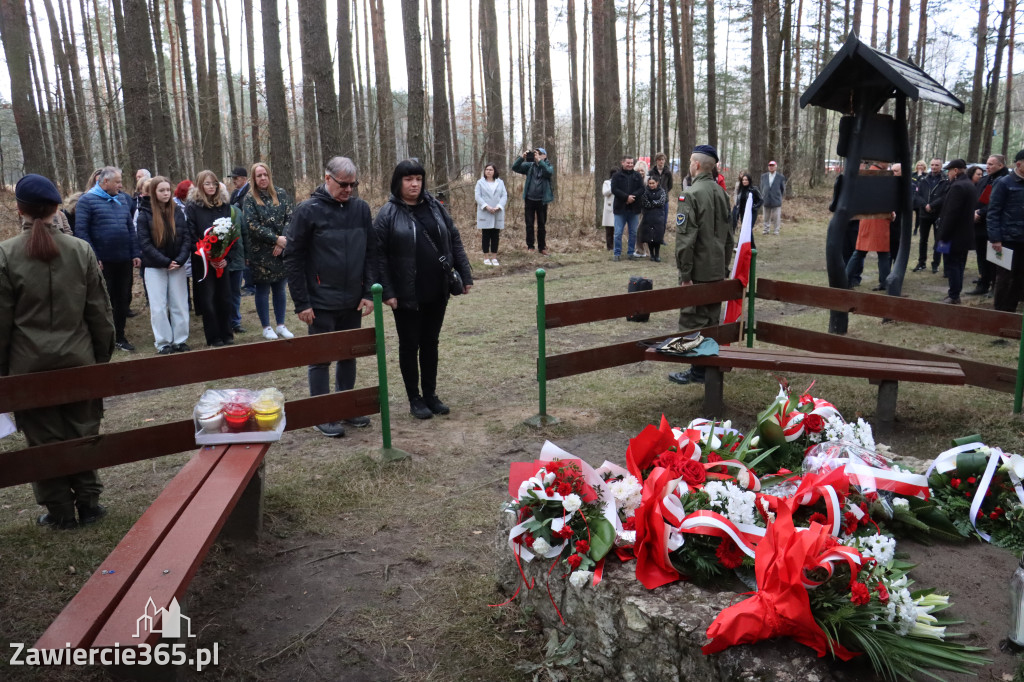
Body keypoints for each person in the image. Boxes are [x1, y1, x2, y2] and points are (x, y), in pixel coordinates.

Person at [0, 174, 115, 529]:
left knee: (43, 440)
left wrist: (6, 374)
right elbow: (100, 315)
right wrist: (99, 360)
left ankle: (60, 511)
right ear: (55, 208)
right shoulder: (80, 250)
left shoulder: (5, 254)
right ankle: (90, 504)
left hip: (28, 368)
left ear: (18, 209)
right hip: (78, 360)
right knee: (81, 431)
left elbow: (1, 325)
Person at [375, 159, 473, 420]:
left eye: (418, 178)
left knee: (431, 343)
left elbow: (453, 239)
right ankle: (414, 398)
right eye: (408, 179)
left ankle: (430, 394)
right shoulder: (387, 213)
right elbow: (379, 255)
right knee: (410, 345)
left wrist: (465, 273)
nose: (414, 183)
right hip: (406, 294)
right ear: (398, 182)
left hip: (436, 289)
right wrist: (388, 291)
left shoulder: (435, 207)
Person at [286, 157, 376, 437]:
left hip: (352, 300)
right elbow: (293, 258)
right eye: (343, 184)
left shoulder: (361, 209)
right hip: (320, 301)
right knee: (322, 357)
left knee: (349, 355)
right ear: (327, 179)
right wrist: (302, 302)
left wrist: (368, 291)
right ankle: (322, 412)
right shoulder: (307, 211)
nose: (349, 190)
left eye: (353, 185)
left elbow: (371, 253)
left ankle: (346, 406)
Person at [669, 145, 734, 385]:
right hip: (717, 269)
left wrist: (685, 274)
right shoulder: (722, 194)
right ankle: (705, 369)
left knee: (692, 321)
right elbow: (729, 238)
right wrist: (724, 268)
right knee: (711, 320)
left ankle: (697, 371)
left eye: (689, 162)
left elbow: (685, 241)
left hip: (697, 271)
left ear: (696, 165)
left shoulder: (691, 194)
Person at [73, 166, 141, 352]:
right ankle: (103, 338)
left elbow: (130, 228)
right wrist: (94, 257)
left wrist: (135, 252)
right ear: (105, 182)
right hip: (103, 262)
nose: (121, 185)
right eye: (118, 182)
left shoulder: (121, 199)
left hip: (124, 259)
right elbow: (81, 232)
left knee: (122, 299)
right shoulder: (86, 201)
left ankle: (120, 336)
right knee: (105, 300)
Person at [136, 176, 191, 353]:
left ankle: (180, 340)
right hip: (154, 266)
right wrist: (165, 262)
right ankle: (163, 342)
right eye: (161, 190)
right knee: (158, 306)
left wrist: (180, 259)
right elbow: (145, 243)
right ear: (154, 192)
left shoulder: (177, 212)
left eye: (168, 190)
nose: (166, 193)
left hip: (177, 265)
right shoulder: (144, 213)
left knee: (180, 304)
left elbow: (186, 238)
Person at [243, 162, 294, 341]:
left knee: (280, 287)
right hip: (261, 252)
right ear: (254, 179)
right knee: (263, 289)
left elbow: (290, 217)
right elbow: (252, 225)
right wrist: (274, 239)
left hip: (281, 250)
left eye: (265, 174)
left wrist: (282, 241)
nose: (263, 178)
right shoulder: (249, 198)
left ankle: (281, 325)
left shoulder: (280, 194)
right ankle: (266, 327)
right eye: (259, 175)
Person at [186, 170, 237, 347]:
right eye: (207, 184)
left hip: (221, 261)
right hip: (203, 262)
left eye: (214, 183)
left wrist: (225, 258)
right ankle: (214, 336)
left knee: (225, 298)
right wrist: (205, 253)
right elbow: (191, 235)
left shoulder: (223, 205)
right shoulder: (192, 207)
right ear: (200, 185)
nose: (211, 187)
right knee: (208, 300)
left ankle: (227, 333)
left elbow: (230, 234)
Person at [846, 162, 893, 291]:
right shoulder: (880, 176)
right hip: (878, 219)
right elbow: (884, 199)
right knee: (879, 253)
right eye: (887, 161)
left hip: (868, 219)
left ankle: (846, 279)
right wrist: (890, 213)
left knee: (861, 252)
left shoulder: (867, 174)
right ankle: (884, 282)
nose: (888, 164)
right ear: (880, 162)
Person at [987, 150, 1024, 312]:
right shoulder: (1004, 183)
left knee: (1019, 277)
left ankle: (1012, 310)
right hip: (1006, 240)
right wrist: (995, 238)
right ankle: (1001, 312)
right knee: (1005, 278)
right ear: (1019, 164)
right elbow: (993, 212)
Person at [935, 159, 977, 305]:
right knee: (958, 264)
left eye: (949, 171)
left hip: (953, 236)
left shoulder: (958, 187)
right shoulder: (969, 185)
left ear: (956, 171)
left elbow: (951, 214)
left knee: (952, 265)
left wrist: (943, 236)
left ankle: (953, 295)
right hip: (963, 235)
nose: (948, 173)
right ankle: (955, 293)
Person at [969, 155, 1009, 296]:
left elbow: (997, 203)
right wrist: (974, 212)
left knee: (995, 258)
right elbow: (977, 198)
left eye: (991, 164)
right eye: (987, 164)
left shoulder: (1005, 180)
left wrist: (981, 212)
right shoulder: (984, 179)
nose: (988, 167)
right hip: (979, 224)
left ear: (1001, 165)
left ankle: (995, 286)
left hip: (995, 225)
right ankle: (983, 283)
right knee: (981, 255)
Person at [511, 147, 554, 254]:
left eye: (539, 153)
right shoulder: (529, 166)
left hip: (542, 200)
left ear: (545, 156)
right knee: (529, 224)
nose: (536, 155)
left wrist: (539, 161)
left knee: (542, 224)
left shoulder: (548, 165)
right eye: (535, 153)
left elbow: (548, 173)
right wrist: (522, 157)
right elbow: (515, 167)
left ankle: (542, 247)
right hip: (529, 199)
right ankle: (530, 246)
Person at [913, 158, 949, 273]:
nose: (934, 167)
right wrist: (925, 205)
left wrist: (932, 205)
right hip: (924, 214)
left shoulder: (946, 180)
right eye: (932, 165)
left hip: (938, 214)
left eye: (936, 165)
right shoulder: (924, 179)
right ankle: (921, 262)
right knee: (923, 239)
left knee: (939, 240)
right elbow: (917, 195)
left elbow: (945, 197)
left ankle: (936, 263)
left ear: (941, 166)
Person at [610, 155, 645, 261]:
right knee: (618, 232)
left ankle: (630, 253)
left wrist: (632, 197)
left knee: (633, 232)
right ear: (622, 163)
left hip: (634, 208)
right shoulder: (616, 176)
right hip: (620, 208)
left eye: (631, 163)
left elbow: (642, 189)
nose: (630, 165)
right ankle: (617, 253)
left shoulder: (637, 175)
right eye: (628, 163)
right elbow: (614, 189)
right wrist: (626, 197)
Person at [474, 163, 507, 266]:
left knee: (495, 235)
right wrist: (486, 206)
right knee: (486, 235)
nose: (488, 171)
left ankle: (494, 257)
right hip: (485, 212)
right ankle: (486, 257)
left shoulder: (500, 182)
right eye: (487, 169)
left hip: (497, 212)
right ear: (484, 171)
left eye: (491, 170)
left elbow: (504, 195)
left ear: (494, 171)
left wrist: (498, 207)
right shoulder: (480, 183)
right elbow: (478, 196)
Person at [639, 176, 667, 262]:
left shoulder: (662, 191)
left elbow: (661, 202)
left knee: (657, 236)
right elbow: (645, 203)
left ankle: (657, 254)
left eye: (653, 183)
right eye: (650, 183)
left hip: (659, 216)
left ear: (657, 183)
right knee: (649, 236)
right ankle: (652, 254)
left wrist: (653, 203)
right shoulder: (645, 192)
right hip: (648, 216)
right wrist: (655, 203)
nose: (651, 185)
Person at [759, 160, 786, 235]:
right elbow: (762, 187)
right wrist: (763, 195)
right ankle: (765, 230)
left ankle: (776, 230)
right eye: (770, 165)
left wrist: (778, 196)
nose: (771, 167)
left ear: (776, 167)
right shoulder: (763, 176)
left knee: (776, 217)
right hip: (766, 199)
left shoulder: (780, 177)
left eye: (773, 165)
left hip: (776, 199)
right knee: (766, 216)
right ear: (768, 167)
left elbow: (782, 188)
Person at [649, 153, 674, 229]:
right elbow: (648, 184)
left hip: (664, 200)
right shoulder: (651, 172)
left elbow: (670, 186)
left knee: (663, 220)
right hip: (653, 199)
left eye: (662, 159)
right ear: (656, 161)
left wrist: (664, 192)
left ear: (665, 160)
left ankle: (661, 238)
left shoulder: (668, 173)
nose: (661, 161)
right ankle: (652, 238)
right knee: (653, 220)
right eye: (659, 160)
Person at [601, 168, 616, 250]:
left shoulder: (620, 183)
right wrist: (613, 186)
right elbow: (605, 193)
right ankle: (609, 247)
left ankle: (616, 246)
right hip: (609, 209)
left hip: (617, 208)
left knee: (617, 230)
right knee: (609, 230)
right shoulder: (607, 183)